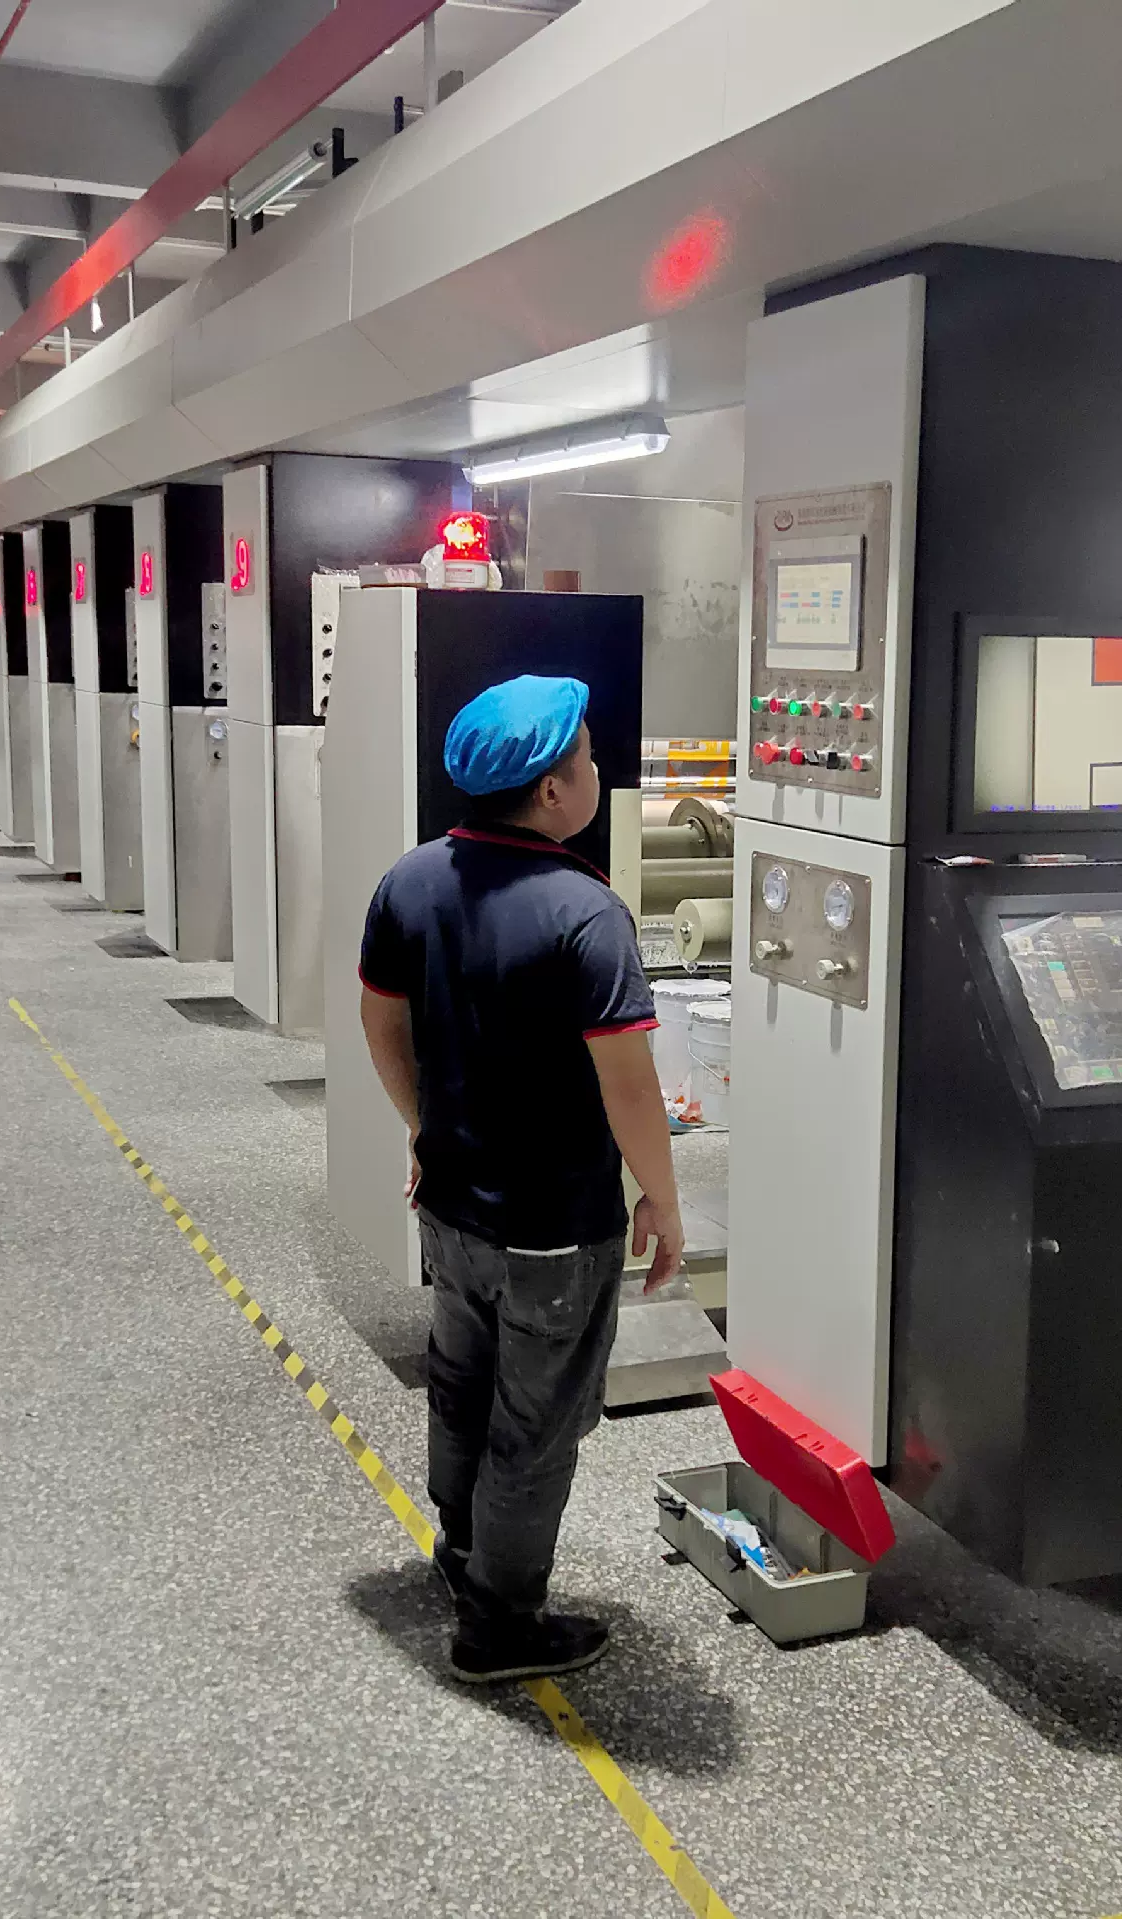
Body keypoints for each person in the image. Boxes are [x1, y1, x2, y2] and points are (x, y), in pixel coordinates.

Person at [359, 673, 686, 1684]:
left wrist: (423, 1128)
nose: (596, 771)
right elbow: (630, 1087)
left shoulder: (411, 879)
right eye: (587, 758)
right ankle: (499, 1623)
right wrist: (663, 1198)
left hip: (451, 1205)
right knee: (535, 1426)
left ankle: (462, 1554)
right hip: (554, 1228)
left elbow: (381, 1023)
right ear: (552, 789)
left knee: (461, 1387)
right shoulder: (587, 913)